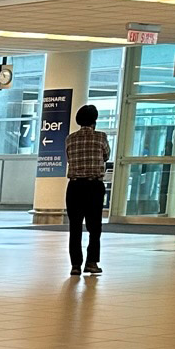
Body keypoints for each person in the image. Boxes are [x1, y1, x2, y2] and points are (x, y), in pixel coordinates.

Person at [65, 103, 109, 276]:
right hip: (94, 186)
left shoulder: (70, 138)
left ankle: (75, 265)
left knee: (75, 227)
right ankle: (91, 262)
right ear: (94, 120)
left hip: (74, 186)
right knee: (94, 227)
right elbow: (106, 156)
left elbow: (69, 158)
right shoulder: (101, 137)